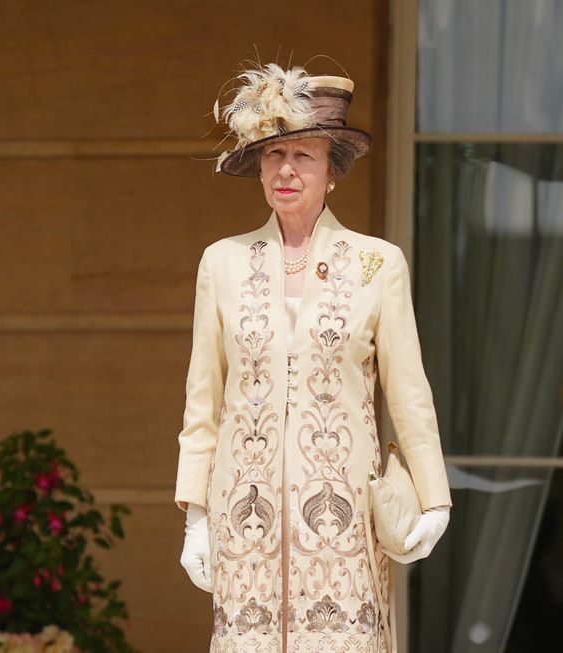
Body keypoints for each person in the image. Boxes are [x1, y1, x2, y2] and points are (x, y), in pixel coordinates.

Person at [175, 64, 452, 652]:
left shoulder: (378, 263)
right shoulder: (221, 262)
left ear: (333, 172)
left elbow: (409, 392)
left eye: (304, 154)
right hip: (244, 520)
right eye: (274, 154)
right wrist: (195, 516)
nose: (286, 169)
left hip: (343, 524)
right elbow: (203, 402)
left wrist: (434, 498)